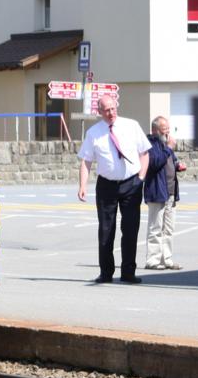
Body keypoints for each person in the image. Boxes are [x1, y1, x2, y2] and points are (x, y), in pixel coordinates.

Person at [77, 96, 150, 283]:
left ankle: (128, 272)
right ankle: (106, 272)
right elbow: (86, 161)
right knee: (106, 230)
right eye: (106, 110)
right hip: (106, 186)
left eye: (113, 108)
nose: (111, 113)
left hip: (131, 183)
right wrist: (83, 185)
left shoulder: (131, 125)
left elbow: (144, 153)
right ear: (99, 112)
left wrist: (140, 178)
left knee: (130, 229)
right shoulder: (94, 133)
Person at [143, 116, 184, 270]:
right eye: (164, 129)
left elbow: (171, 160)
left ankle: (166, 259)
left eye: (168, 129)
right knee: (156, 228)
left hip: (170, 192)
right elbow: (154, 163)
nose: (167, 132)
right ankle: (153, 260)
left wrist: (178, 165)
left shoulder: (166, 144)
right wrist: (169, 148)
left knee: (168, 229)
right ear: (155, 130)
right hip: (157, 191)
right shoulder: (150, 144)